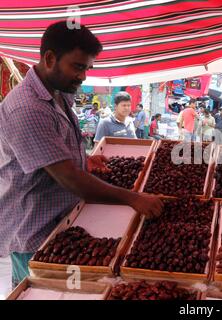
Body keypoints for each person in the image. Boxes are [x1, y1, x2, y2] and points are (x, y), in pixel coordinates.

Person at [0, 21, 163, 288]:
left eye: (87, 68)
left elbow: (53, 155)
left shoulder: (58, 94)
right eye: (78, 66)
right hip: (33, 230)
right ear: (50, 58)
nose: (84, 76)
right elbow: (70, 179)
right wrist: (133, 198)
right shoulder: (27, 108)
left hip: (62, 220)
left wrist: (82, 159)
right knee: (39, 291)